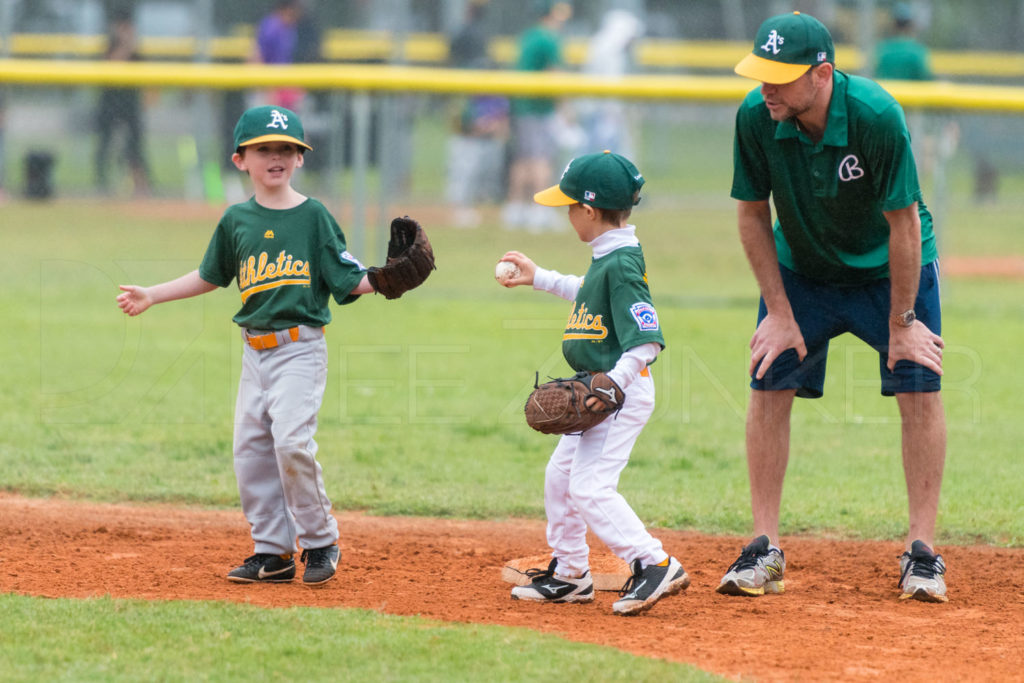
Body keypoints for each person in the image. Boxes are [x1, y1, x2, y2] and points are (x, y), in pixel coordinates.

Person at [116, 105, 410, 586]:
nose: (276, 156)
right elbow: (210, 275)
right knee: (250, 452)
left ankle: (320, 541)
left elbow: (346, 276)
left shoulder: (314, 216)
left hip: (300, 348)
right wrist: (153, 294)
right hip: (254, 352)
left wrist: (385, 281)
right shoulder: (237, 220)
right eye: (264, 149)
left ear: (299, 159)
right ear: (240, 160)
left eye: (287, 149)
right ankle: (272, 553)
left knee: (291, 442)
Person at [719, 12, 949, 603]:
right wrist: (778, 309)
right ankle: (764, 548)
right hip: (802, 268)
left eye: (780, 76)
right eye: (760, 73)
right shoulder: (756, 115)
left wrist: (902, 324)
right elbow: (750, 214)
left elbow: (902, 224)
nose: (765, 87)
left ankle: (922, 553)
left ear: (822, 74)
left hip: (889, 266)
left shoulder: (875, 115)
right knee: (768, 380)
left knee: (919, 386)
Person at [498, 151, 689, 616]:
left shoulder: (622, 263)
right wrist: (539, 277)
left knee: (589, 487)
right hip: (600, 391)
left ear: (587, 210)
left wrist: (611, 385)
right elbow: (589, 290)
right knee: (560, 479)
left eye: (568, 207)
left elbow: (647, 341)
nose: (566, 216)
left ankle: (652, 562)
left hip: (617, 395)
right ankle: (570, 574)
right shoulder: (610, 257)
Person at [501, 0, 571, 232]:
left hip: (523, 105)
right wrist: (565, 109)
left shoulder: (529, 36)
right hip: (540, 107)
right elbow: (556, 74)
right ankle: (541, 210)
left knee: (523, 158)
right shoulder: (547, 37)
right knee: (541, 158)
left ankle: (515, 209)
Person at [445, 1, 509, 228]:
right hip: (467, 133)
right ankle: (459, 208)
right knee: (463, 169)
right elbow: (463, 120)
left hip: (477, 132)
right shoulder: (466, 90)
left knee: (476, 171)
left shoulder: (474, 34)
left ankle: (470, 206)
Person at [95, 7, 151, 196]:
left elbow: (147, 77)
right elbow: (113, 64)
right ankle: (101, 184)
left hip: (130, 103)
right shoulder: (111, 45)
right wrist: (124, 44)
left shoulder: (136, 50)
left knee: (135, 145)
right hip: (110, 103)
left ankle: (140, 185)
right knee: (105, 144)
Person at [579, 9, 643, 158]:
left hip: (595, 109)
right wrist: (614, 113)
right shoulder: (610, 51)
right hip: (602, 111)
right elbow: (610, 84)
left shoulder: (600, 44)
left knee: (591, 153)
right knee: (604, 154)